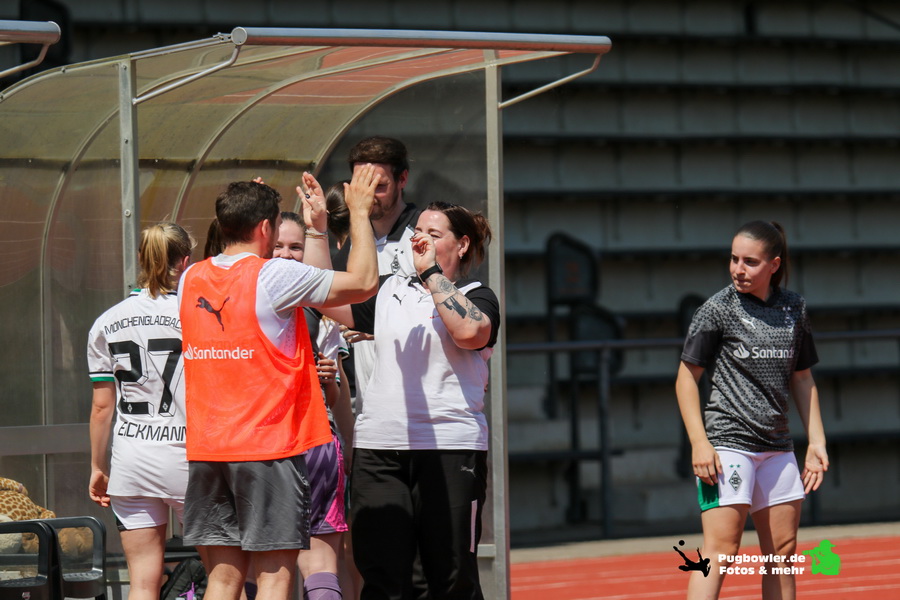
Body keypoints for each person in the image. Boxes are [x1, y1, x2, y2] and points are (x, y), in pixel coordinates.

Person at [177, 168, 380, 600]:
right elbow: (363, 284)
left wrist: (251, 203)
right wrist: (360, 213)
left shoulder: (190, 278)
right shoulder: (274, 276)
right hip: (266, 449)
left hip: (209, 449)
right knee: (275, 576)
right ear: (267, 229)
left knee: (224, 579)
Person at [323, 201, 499, 600]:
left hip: (450, 449)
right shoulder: (390, 290)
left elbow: (470, 332)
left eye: (434, 234)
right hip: (380, 450)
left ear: (462, 245)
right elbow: (326, 295)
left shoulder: (477, 295)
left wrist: (432, 273)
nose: (420, 240)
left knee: (451, 578)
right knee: (383, 577)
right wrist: (318, 229)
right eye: (417, 232)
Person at [675, 220, 829, 600]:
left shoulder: (794, 308)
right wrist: (699, 443)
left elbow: (803, 378)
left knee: (782, 554)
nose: (738, 269)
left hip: (777, 447)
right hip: (728, 445)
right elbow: (685, 378)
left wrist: (816, 442)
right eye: (734, 259)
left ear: (774, 265)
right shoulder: (717, 309)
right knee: (721, 552)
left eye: (750, 261)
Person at [87, 222, 195, 600]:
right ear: (185, 261)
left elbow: (102, 407)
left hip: (131, 460)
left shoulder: (106, 321)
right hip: (188, 457)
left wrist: (97, 466)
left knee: (143, 582)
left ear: (141, 258)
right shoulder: (195, 315)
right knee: (225, 576)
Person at [273, 210, 350, 600]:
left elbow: (332, 398)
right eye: (278, 246)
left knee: (267, 569)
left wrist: (328, 380)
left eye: (296, 247)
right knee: (300, 567)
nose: (286, 255)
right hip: (274, 443)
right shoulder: (253, 299)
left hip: (308, 440)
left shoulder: (323, 313)